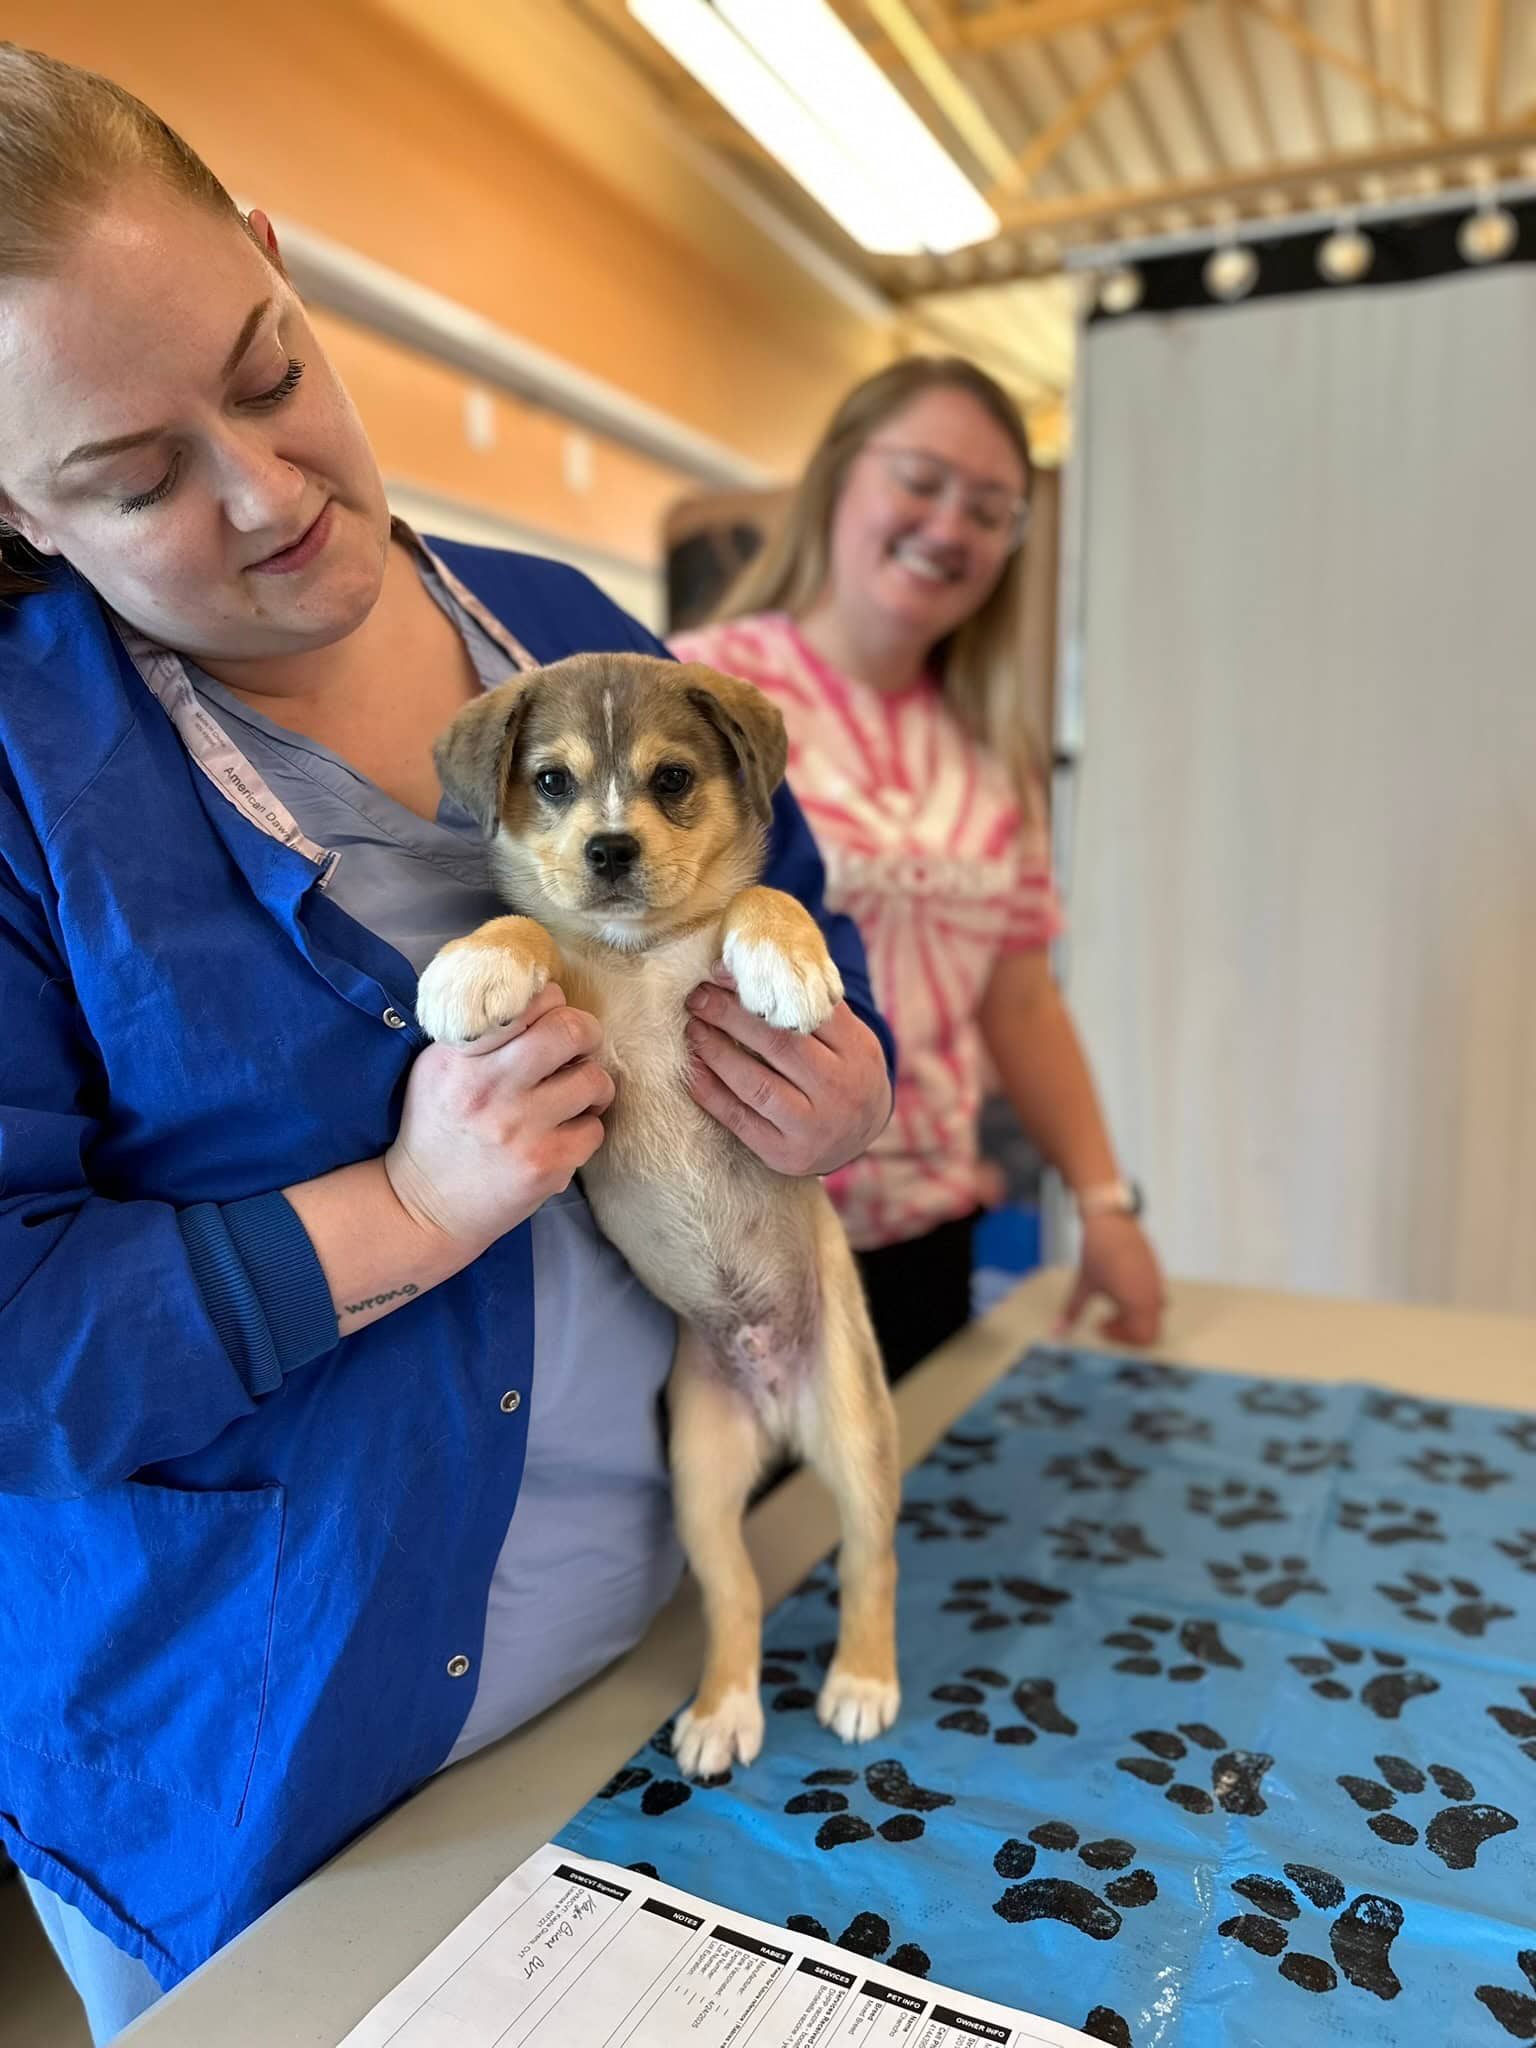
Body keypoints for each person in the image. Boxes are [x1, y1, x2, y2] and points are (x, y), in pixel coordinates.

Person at [0, 46, 894, 2044]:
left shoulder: (558, 620)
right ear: (8, 504)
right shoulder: (23, 778)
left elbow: (798, 906)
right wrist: (402, 1210)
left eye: (268, 368)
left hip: (644, 1654)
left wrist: (849, 1075)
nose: (269, 491)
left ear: (274, 256)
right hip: (259, 1774)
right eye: (136, 478)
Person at [672, 357, 1164, 1380]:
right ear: (842, 477)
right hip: (732, 1243)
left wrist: (1106, 1202)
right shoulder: (698, 688)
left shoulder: (993, 747)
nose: (951, 527)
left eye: (992, 510)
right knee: (741, 1542)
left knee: (904, 1529)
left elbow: (1020, 1000)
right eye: (922, 480)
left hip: (925, 1244)